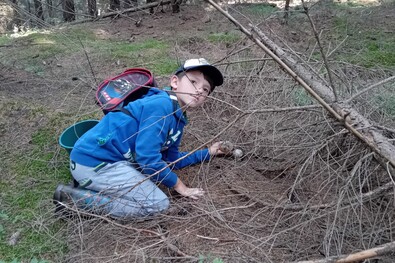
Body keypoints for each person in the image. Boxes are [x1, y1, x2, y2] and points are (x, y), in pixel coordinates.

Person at [54, 58, 226, 220]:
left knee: (151, 183)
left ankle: (91, 188)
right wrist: (180, 186)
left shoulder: (178, 116)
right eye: (194, 82)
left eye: (205, 89)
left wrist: (208, 152)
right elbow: (148, 159)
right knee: (158, 204)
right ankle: (75, 200)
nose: (199, 90)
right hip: (95, 163)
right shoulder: (162, 106)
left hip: (107, 159)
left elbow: (172, 160)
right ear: (175, 82)